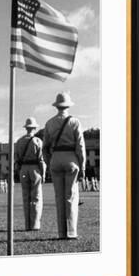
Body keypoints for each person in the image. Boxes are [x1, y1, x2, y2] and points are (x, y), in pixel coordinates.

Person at [43, 92, 86, 239]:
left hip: (55, 159)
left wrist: (49, 162)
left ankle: (61, 232)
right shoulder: (75, 122)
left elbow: (45, 147)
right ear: (68, 106)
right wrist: (83, 164)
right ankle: (71, 232)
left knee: (59, 197)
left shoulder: (49, 123)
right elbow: (80, 146)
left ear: (56, 106)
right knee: (71, 196)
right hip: (71, 159)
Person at [15, 117, 45, 231]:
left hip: (23, 169)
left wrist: (19, 171)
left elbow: (17, 159)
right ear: (34, 128)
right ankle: (35, 224)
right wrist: (43, 172)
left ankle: (27, 224)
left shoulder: (19, 141)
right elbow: (41, 159)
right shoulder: (37, 141)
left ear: (26, 128)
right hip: (35, 169)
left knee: (26, 197)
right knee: (36, 197)